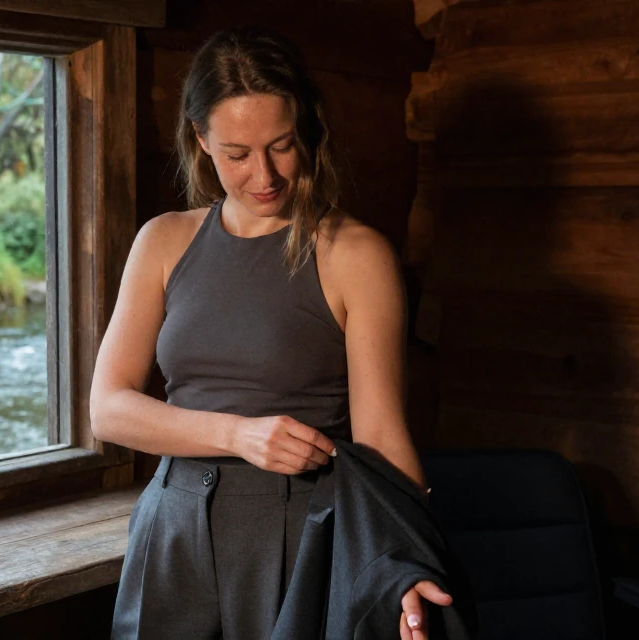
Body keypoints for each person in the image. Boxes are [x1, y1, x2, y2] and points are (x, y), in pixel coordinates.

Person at [89, 27, 452, 640]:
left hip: (300, 534)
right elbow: (108, 409)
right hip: (170, 530)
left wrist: (407, 562)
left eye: (281, 146)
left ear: (305, 128)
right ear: (201, 138)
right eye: (237, 154)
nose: (265, 175)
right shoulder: (162, 241)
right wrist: (238, 434)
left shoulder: (355, 254)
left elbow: (382, 437)